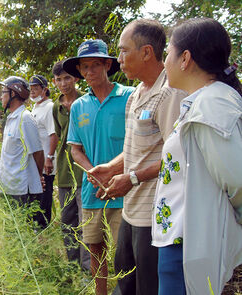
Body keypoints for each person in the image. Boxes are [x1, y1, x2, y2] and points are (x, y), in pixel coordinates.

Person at [88, 19, 187, 295]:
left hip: (154, 217)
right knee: (126, 282)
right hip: (131, 212)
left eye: (123, 51)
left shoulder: (169, 93)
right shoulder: (137, 93)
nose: (119, 60)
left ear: (146, 52)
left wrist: (131, 178)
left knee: (147, 287)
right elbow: (136, 148)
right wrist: (110, 167)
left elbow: (177, 158)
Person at [152, 18, 242, 295]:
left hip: (192, 245)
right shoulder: (201, 101)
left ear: (185, 58)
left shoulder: (212, 103)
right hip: (181, 240)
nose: (165, 61)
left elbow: (236, 181)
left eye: (168, 52)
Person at [63, 39, 134, 295]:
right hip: (92, 192)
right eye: (85, 67)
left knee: (126, 256)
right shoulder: (79, 106)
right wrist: (93, 173)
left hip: (125, 191)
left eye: (95, 65)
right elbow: (75, 149)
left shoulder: (128, 96)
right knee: (96, 250)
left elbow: (139, 142)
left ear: (107, 65)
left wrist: (113, 173)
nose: (90, 72)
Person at [51, 60, 90, 270]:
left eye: (67, 78)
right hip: (65, 173)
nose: (63, 83)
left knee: (86, 224)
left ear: (75, 78)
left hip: (84, 172)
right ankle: (73, 267)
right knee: (67, 223)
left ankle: (87, 271)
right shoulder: (56, 107)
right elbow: (60, 136)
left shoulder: (87, 101)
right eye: (58, 79)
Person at [0, 76, 45, 225]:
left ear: (14, 94)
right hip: (8, 187)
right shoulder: (11, 118)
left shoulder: (25, 118)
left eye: (4, 92)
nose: (1, 96)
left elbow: (38, 152)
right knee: (11, 233)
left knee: (23, 233)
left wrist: (38, 176)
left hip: (22, 191)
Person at [28, 74, 56, 229]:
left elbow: (54, 134)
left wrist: (49, 158)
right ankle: (36, 229)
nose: (32, 92)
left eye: (36, 88)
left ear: (45, 89)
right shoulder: (35, 108)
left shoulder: (50, 107)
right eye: (31, 89)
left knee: (44, 198)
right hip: (35, 163)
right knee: (35, 198)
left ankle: (43, 230)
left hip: (46, 163)